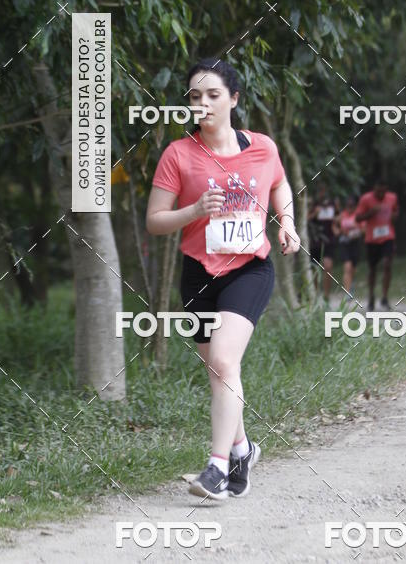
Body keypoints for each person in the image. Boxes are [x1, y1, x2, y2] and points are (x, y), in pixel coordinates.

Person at [146, 58, 300, 501]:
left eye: (213, 95)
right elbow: (154, 221)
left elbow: (279, 184)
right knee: (218, 371)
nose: (204, 104)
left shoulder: (263, 147)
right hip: (198, 273)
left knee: (223, 361)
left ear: (233, 99)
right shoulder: (178, 154)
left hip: (249, 268)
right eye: (195, 96)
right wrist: (194, 211)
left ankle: (215, 467)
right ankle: (242, 450)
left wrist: (287, 222)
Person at [355, 182, 399, 311]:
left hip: (388, 237)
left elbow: (396, 212)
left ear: (386, 190)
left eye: (383, 192)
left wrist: (394, 216)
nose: (380, 195)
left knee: (387, 264)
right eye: (378, 192)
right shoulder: (366, 199)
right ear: (374, 189)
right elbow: (358, 218)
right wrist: (371, 212)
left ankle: (384, 297)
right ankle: (371, 296)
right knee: (372, 269)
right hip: (372, 239)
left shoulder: (392, 197)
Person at [307, 187, 336, 301]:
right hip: (315, 242)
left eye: (324, 190)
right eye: (320, 190)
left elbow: (339, 216)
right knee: (314, 269)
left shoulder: (333, 204)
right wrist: (315, 213)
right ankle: (314, 295)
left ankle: (326, 296)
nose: (322, 193)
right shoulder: (312, 204)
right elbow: (304, 220)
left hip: (328, 241)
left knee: (328, 266)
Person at [336, 196, 363, 295]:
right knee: (347, 267)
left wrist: (355, 233)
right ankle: (347, 293)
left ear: (355, 206)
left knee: (353, 269)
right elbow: (334, 225)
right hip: (344, 243)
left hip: (355, 244)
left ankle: (350, 284)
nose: (350, 208)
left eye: (352, 206)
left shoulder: (358, 216)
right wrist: (338, 231)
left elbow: (363, 229)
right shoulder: (342, 215)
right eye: (348, 206)